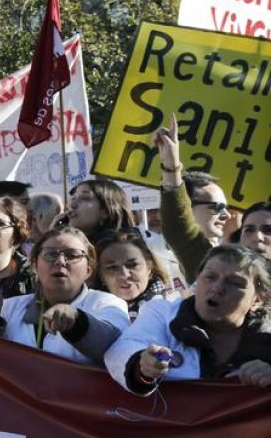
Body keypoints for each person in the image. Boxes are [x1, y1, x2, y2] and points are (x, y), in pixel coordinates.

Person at [105, 244, 271, 393]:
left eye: (235, 283)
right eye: (210, 277)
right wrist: (142, 365)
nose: (217, 288)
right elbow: (122, 348)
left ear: (257, 299)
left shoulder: (266, 339)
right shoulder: (162, 313)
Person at [0, 227, 129, 365]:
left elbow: (114, 346)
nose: (60, 261)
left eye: (72, 255)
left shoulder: (108, 304)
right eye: (50, 254)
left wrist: (76, 321)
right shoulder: (8, 308)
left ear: (88, 270)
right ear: (35, 265)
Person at [153, 116, 232, 282]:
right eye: (217, 207)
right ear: (187, 207)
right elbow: (178, 223)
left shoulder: (236, 256)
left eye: (226, 207)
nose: (227, 215)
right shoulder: (198, 257)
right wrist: (171, 168)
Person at [91, 230, 171, 321]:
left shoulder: (174, 308)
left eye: (132, 265)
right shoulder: (89, 315)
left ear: (149, 268)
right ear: (101, 276)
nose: (124, 274)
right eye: (112, 267)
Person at [63, 179, 134, 246]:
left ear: (106, 211)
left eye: (85, 198)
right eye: (73, 198)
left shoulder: (121, 248)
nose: (72, 204)